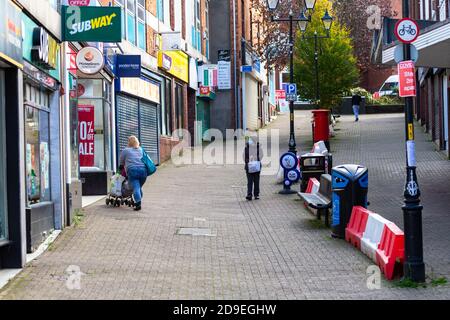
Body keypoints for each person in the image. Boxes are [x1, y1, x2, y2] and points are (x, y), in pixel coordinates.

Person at [119, 136, 147, 211]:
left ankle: (138, 204)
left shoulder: (126, 150)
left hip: (133, 171)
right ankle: (139, 200)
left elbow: (121, 162)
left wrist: (120, 169)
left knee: (136, 188)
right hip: (143, 171)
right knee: (138, 187)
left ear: (129, 142)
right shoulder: (141, 149)